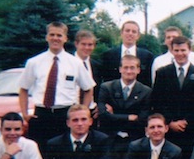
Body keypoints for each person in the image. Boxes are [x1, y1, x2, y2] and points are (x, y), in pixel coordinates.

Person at [18, 22, 96, 150]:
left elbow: (88, 88)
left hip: (65, 115)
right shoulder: (34, 62)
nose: (55, 38)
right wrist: (25, 113)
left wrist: (84, 111)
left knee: (64, 153)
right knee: (40, 152)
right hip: (41, 115)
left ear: (65, 38)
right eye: (52, 35)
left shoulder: (75, 63)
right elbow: (23, 89)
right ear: (46, 37)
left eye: (59, 35)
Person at [97, 54, 151, 145]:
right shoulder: (106, 88)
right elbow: (103, 116)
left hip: (135, 139)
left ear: (138, 70)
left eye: (132, 68)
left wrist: (114, 115)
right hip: (109, 137)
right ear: (120, 69)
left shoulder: (146, 91)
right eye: (125, 67)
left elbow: (142, 120)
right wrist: (128, 117)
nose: (129, 71)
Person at [100, 20, 154, 88]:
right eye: (127, 31)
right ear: (121, 33)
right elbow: (106, 80)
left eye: (134, 31)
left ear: (138, 36)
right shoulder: (109, 55)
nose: (130, 34)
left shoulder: (147, 56)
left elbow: (148, 82)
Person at [74, 29, 101, 115]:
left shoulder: (97, 66)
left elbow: (100, 89)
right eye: (83, 44)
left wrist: (100, 106)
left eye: (90, 45)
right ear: (76, 44)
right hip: (71, 110)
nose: (86, 48)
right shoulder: (68, 63)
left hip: (91, 111)